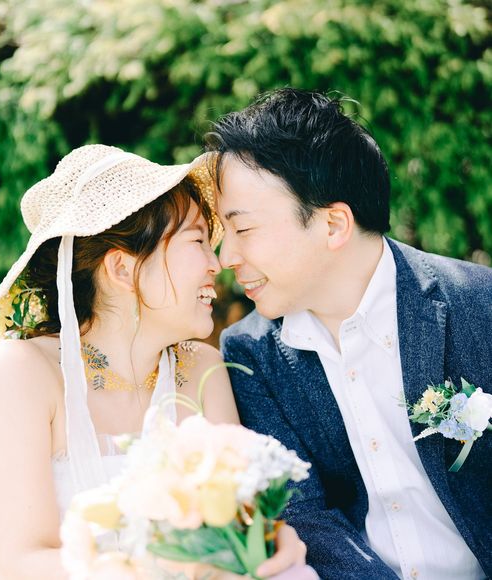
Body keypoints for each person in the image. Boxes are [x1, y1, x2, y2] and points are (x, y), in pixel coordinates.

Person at [0, 145, 309, 579]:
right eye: (198, 241)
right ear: (122, 268)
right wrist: (168, 569)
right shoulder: (19, 374)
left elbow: (237, 528)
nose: (218, 265)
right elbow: (20, 562)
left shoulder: (203, 372)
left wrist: (265, 542)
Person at [206, 88, 492, 580]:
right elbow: (305, 517)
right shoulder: (250, 353)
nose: (226, 257)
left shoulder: (478, 304)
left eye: (243, 230)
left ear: (334, 224)